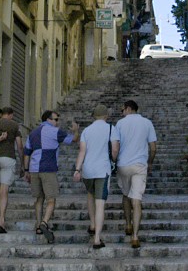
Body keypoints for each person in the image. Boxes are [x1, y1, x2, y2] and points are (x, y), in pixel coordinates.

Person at [22, 109, 79, 243]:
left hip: (34, 169)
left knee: (39, 199)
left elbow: (26, 153)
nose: (57, 122)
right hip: (48, 169)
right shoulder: (55, 132)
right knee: (51, 199)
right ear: (48, 119)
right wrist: (76, 130)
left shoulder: (32, 133)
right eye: (56, 119)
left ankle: (38, 225)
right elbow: (74, 140)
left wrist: (26, 170)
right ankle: (45, 222)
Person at [110, 99, 156, 249]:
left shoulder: (120, 124)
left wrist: (113, 161)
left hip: (123, 164)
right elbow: (153, 147)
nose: (122, 113)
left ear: (128, 109)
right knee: (136, 200)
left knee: (125, 194)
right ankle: (135, 236)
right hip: (140, 165)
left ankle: (128, 224)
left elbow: (115, 146)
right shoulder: (147, 123)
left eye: (122, 110)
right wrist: (150, 162)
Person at [72, 104, 114, 249]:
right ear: (106, 116)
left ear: (94, 116)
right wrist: (113, 159)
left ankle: (92, 224)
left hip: (88, 170)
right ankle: (97, 239)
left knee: (90, 195)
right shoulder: (111, 129)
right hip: (102, 170)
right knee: (100, 203)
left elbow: (82, 151)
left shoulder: (87, 131)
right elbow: (114, 150)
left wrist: (77, 169)